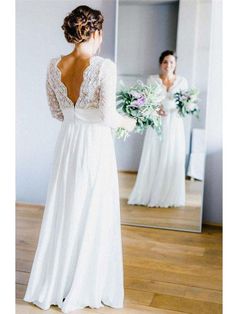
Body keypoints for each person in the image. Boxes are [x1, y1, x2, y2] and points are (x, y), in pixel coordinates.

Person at [23, 5, 136, 313]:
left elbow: (57, 113)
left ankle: (57, 281)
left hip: (68, 142)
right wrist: (133, 121)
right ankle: (86, 282)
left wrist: (76, 116)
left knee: (65, 206)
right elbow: (109, 117)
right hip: (94, 144)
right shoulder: (104, 67)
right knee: (92, 207)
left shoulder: (52, 65)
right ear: (96, 32)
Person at [128, 50, 188, 207]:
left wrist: (180, 107)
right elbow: (147, 102)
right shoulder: (152, 80)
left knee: (171, 155)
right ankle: (149, 193)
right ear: (161, 64)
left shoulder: (182, 82)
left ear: (175, 64)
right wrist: (155, 110)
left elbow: (185, 104)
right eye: (165, 62)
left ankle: (169, 195)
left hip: (174, 124)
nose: (168, 65)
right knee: (154, 154)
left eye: (172, 62)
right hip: (157, 124)